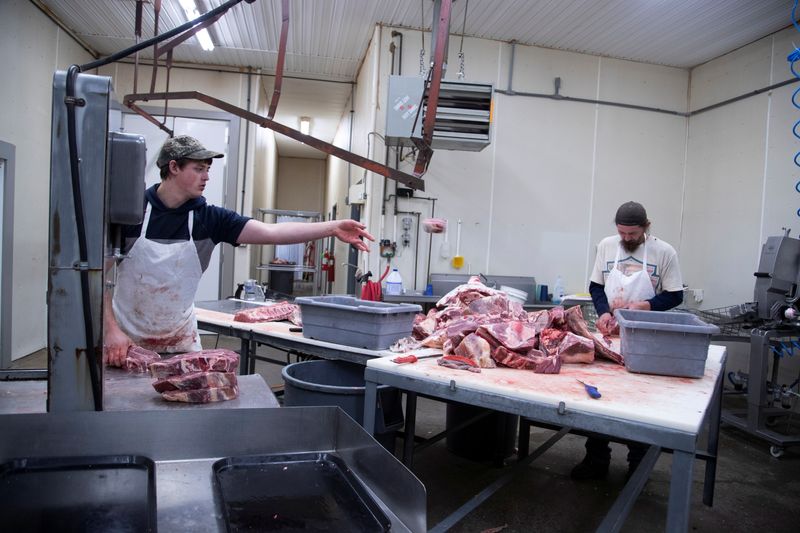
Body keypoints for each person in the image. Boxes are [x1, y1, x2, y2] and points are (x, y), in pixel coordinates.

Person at [103, 135, 374, 366]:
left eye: (208, 169)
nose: (207, 176)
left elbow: (272, 233)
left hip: (181, 345)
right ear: (173, 167)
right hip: (125, 345)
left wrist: (332, 228)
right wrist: (110, 329)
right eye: (199, 169)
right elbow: (98, 277)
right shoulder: (131, 212)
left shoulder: (210, 219)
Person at [571, 200, 684, 480]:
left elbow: (675, 294)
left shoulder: (664, 251)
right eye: (622, 233)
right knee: (599, 397)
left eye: (632, 234)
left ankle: (638, 466)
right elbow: (596, 286)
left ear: (646, 227)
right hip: (610, 334)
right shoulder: (607, 245)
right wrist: (603, 313)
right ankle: (596, 459)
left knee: (638, 401)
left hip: (644, 338)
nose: (626, 239)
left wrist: (648, 305)